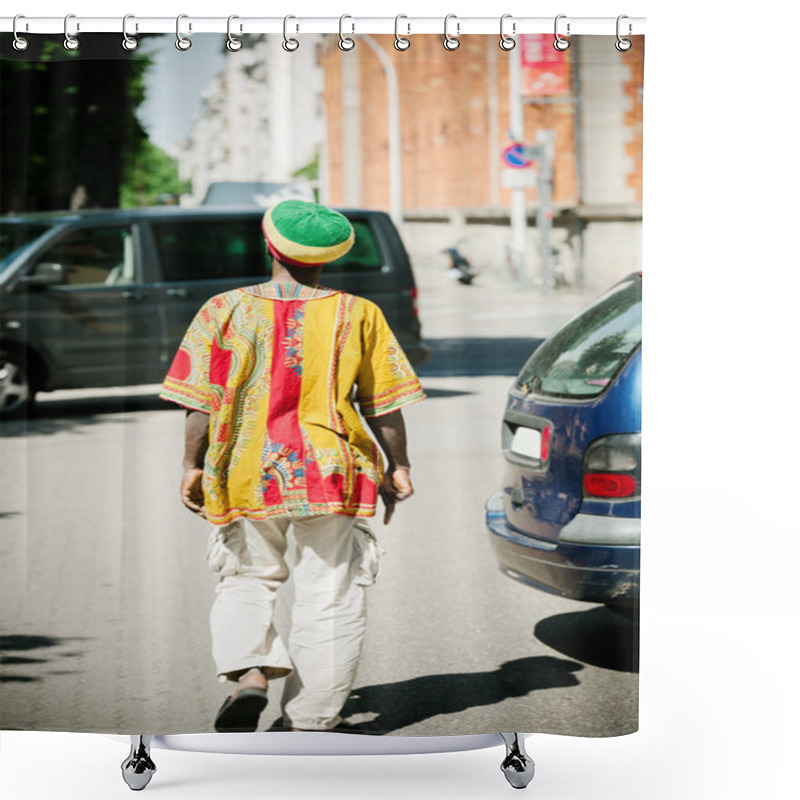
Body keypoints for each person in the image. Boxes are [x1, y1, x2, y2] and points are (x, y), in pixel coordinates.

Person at [159, 200, 424, 733]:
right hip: (332, 471)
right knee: (330, 592)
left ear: (269, 244)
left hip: (246, 470)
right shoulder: (358, 313)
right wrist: (398, 465)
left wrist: (192, 464)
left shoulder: (223, 309)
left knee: (246, 577)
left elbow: (200, 403)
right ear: (335, 256)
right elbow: (383, 403)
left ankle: (250, 672)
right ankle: (311, 719)